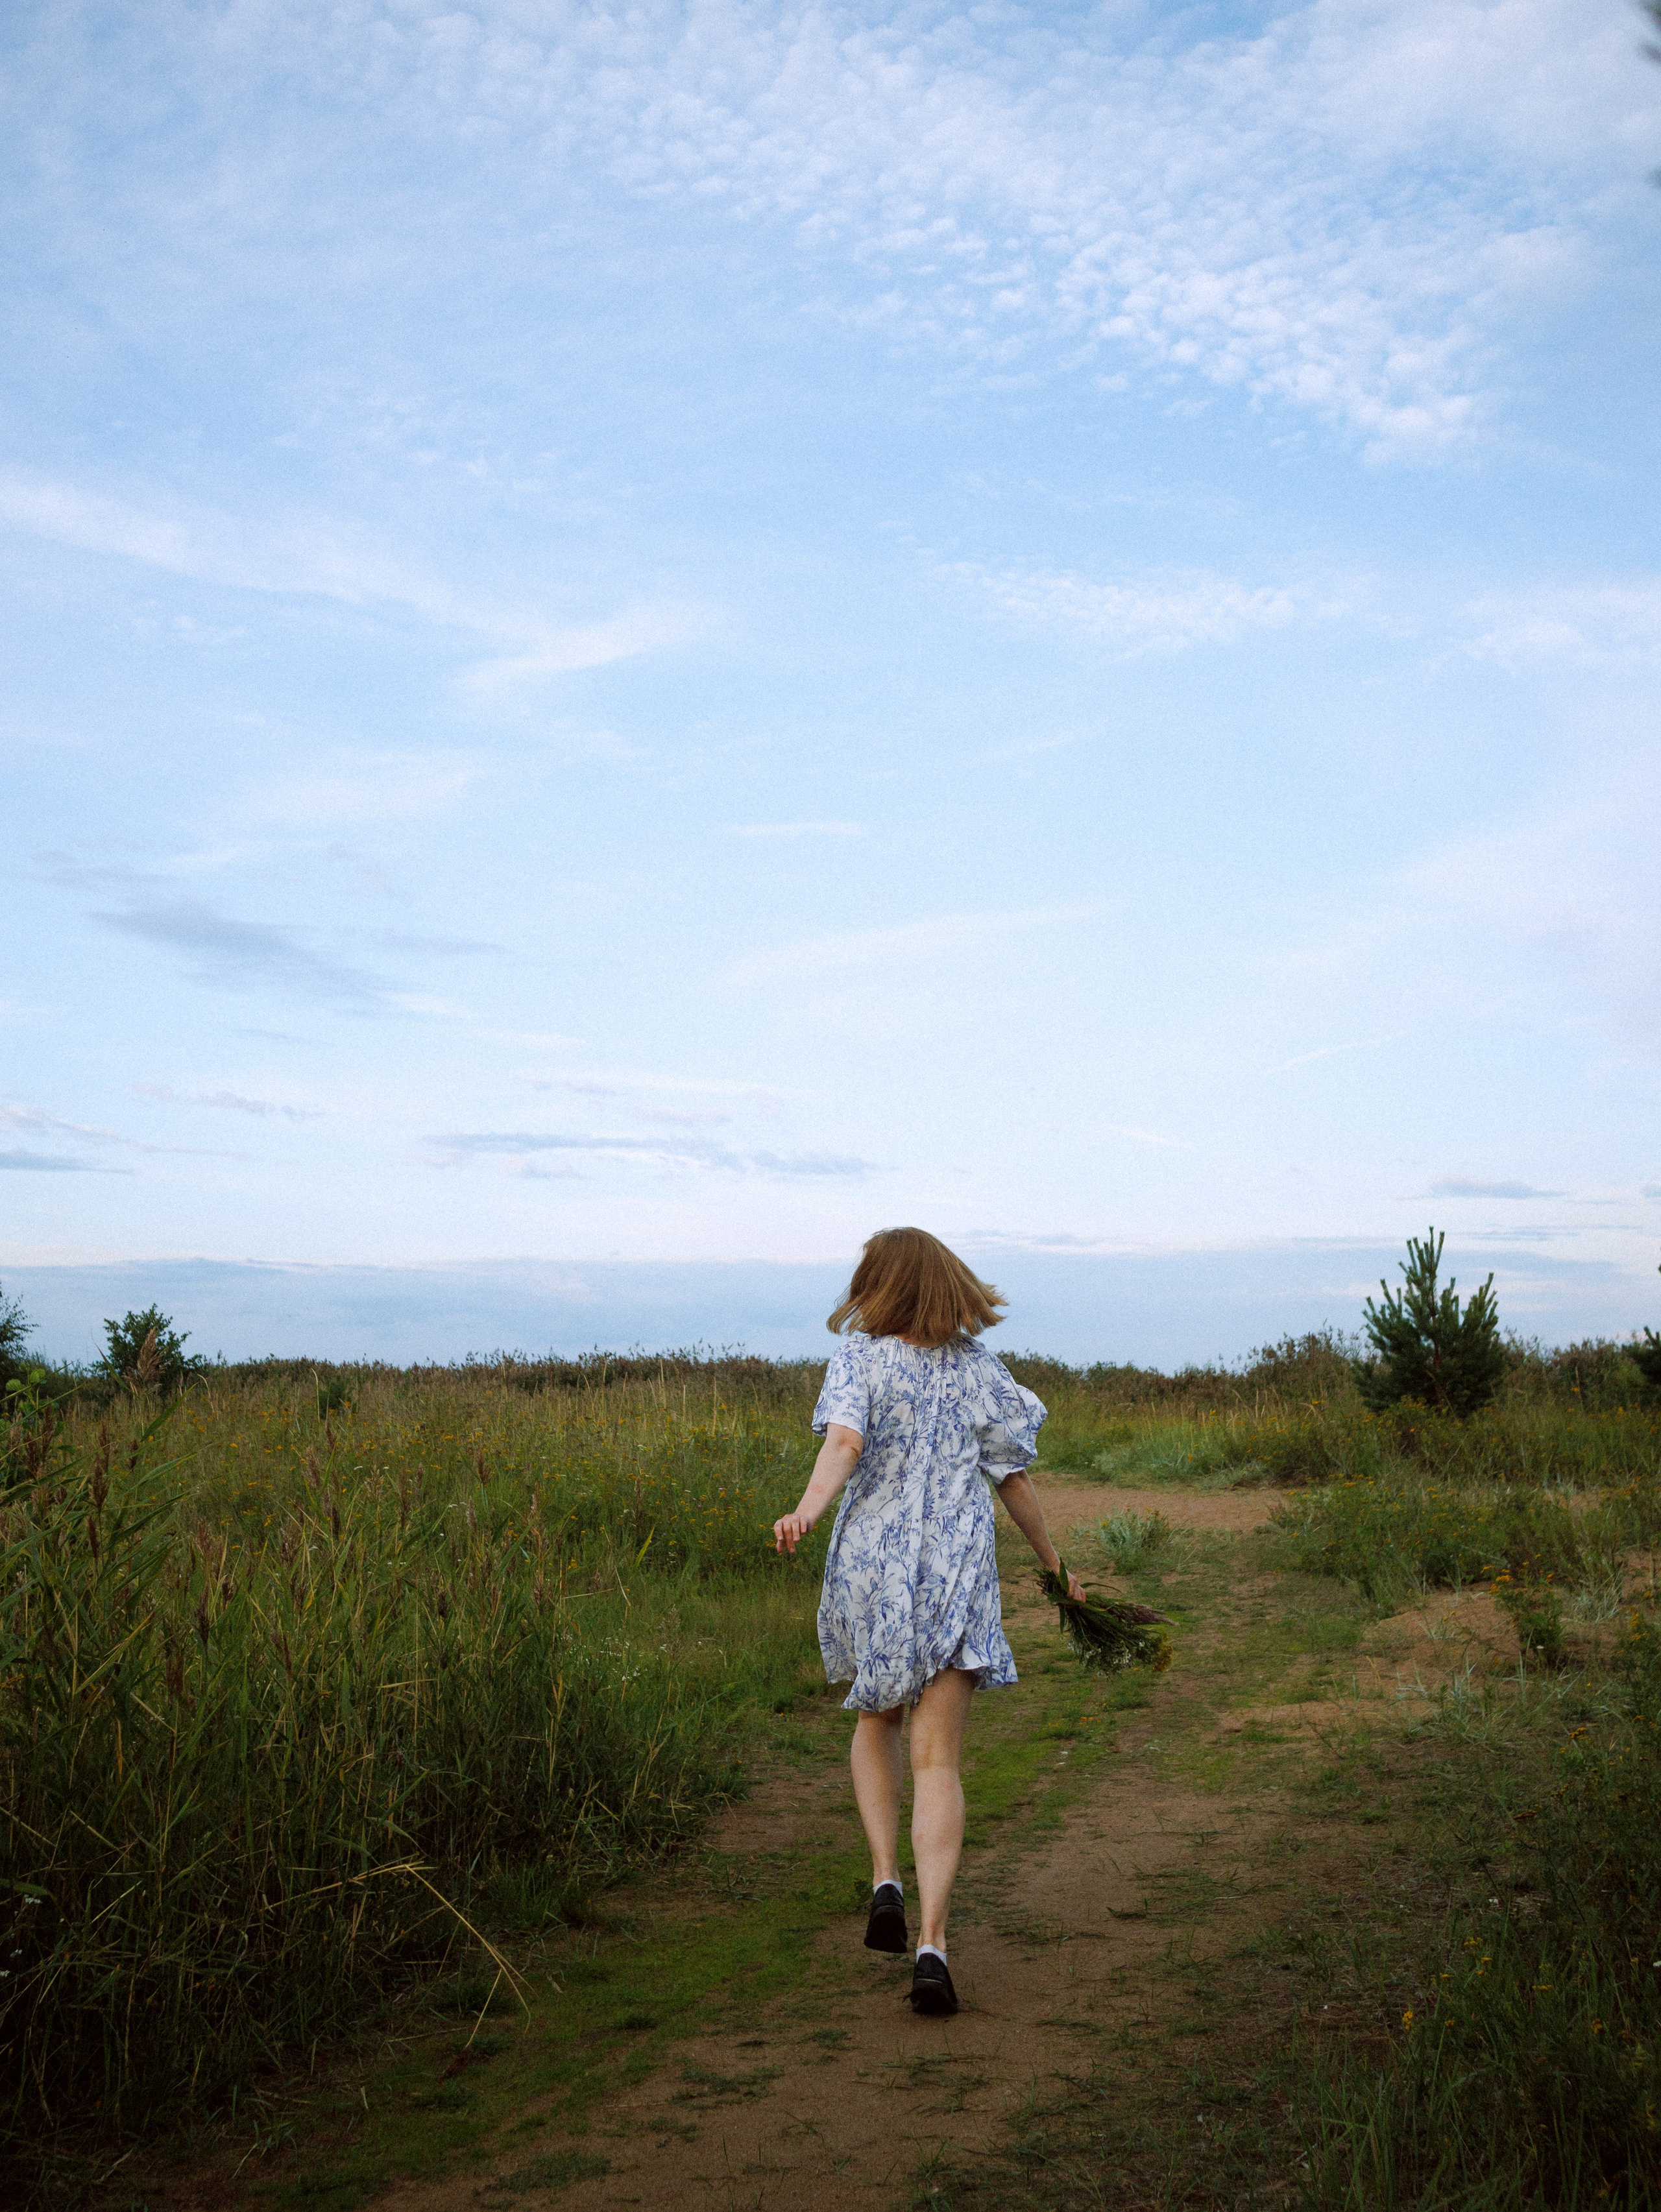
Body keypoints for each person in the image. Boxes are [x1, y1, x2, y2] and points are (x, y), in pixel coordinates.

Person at [773, 1226, 1085, 2017]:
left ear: (877, 1282)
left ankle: (885, 1877)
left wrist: (807, 1509)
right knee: (937, 1755)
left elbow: (844, 1442)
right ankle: (934, 1945)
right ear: (947, 1282)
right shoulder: (979, 1370)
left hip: (875, 1568)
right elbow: (1010, 1477)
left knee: (875, 1718)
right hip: (956, 1569)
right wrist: (1054, 1565)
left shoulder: (859, 1359)